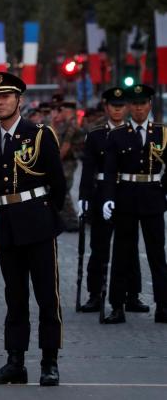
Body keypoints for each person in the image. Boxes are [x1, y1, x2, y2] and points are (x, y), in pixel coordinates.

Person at [0, 72, 65, 387]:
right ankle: (15, 361)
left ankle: (49, 361)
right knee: (14, 296)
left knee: (46, 295)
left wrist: (44, 213)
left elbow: (58, 184)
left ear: (19, 100)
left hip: (38, 219)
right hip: (7, 223)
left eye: (5, 96)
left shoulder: (39, 134)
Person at [102, 83, 167, 324]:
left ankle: (163, 305)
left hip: (153, 197)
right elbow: (110, 171)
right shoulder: (117, 135)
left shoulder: (162, 133)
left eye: (143, 104)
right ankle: (117, 306)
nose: (139, 109)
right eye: (135, 104)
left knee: (157, 254)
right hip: (126, 197)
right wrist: (108, 198)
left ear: (149, 105)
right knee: (121, 254)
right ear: (129, 107)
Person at [77, 88, 146, 313]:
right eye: (113, 106)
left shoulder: (134, 132)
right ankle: (95, 294)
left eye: (122, 105)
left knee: (130, 247)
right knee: (99, 246)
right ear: (106, 107)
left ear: (127, 107)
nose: (118, 109)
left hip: (127, 193)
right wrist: (84, 198)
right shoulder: (96, 133)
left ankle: (132, 294)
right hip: (100, 193)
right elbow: (88, 168)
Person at [57, 101, 83, 232]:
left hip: (68, 161)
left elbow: (66, 146)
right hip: (67, 161)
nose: (60, 113)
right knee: (63, 188)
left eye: (62, 111)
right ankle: (66, 219)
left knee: (64, 188)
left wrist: (56, 161)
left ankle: (72, 220)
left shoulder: (71, 125)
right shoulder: (67, 124)